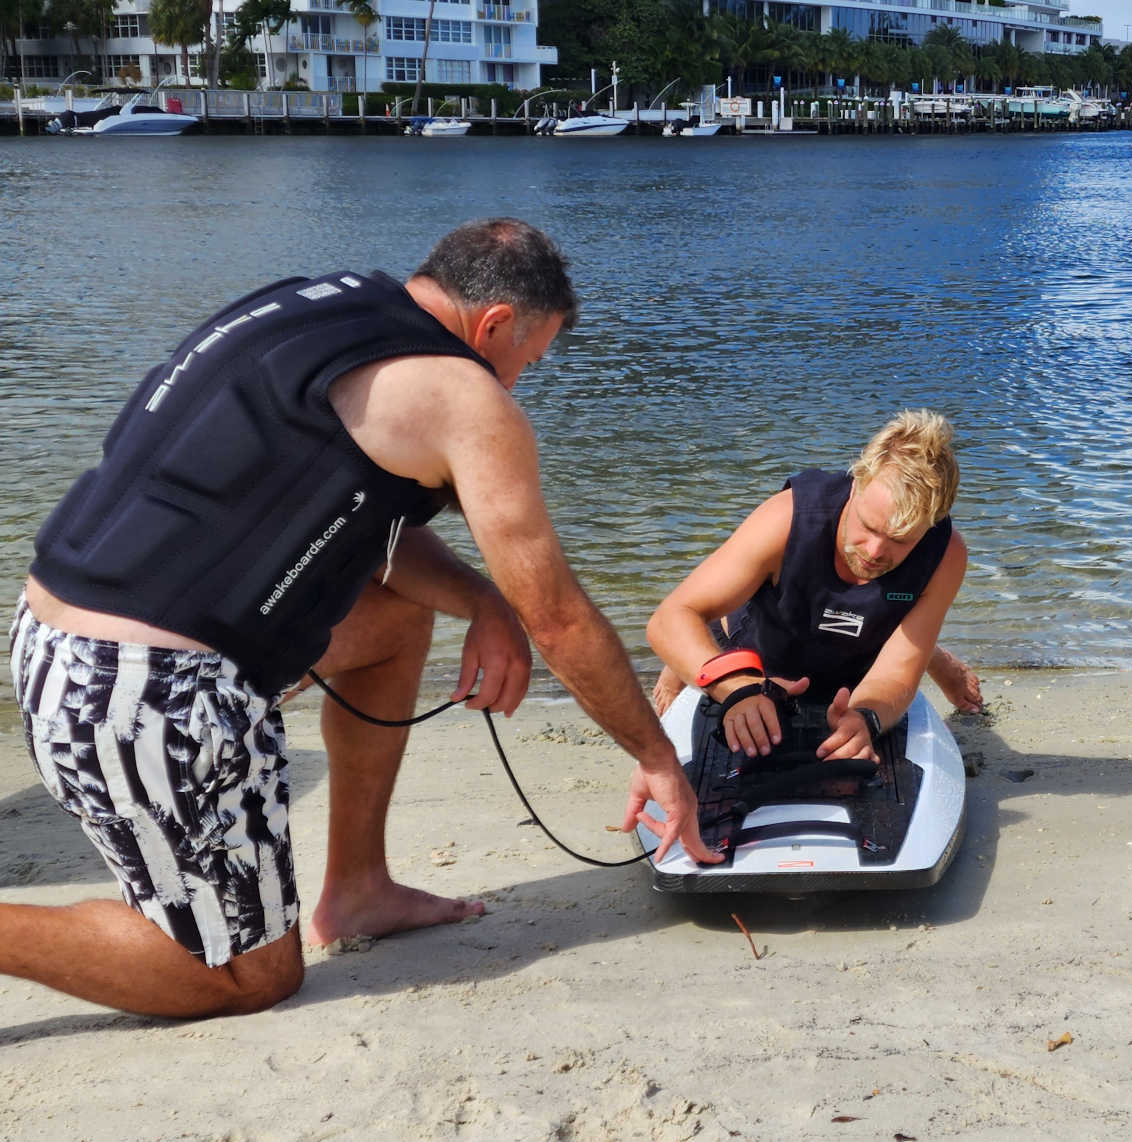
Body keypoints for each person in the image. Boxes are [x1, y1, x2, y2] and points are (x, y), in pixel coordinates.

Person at [4, 218, 716, 1020]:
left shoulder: (321, 305)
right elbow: (555, 616)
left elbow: (362, 525)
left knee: (396, 623)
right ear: (496, 326)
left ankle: (359, 888)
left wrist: (479, 599)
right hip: (144, 695)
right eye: (529, 360)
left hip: (55, 650)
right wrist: (656, 756)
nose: (517, 383)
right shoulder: (465, 396)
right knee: (247, 979)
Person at [647, 410, 976, 764]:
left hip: (860, 641)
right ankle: (680, 666)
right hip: (752, 641)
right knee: (696, 623)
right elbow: (667, 619)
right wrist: (734, 687)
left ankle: (924, 646)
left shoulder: (946, 554)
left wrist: (864, 717)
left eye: (900, 540)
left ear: (931, 524)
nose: (874, 552)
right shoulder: (788, 517)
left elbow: (895, 673)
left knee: (898, 638)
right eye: (868, 526)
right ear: (857, 484)